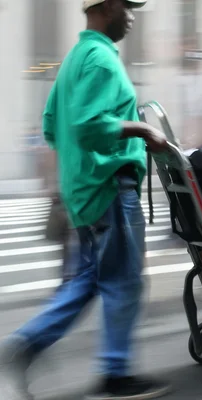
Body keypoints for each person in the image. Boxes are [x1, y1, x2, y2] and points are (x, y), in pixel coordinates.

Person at [0, 0, 172, 399]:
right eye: (127, 7)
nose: (132, 15)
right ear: (107, 7)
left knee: (90, 279)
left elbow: (50, 125)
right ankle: (116, 373)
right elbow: (89, 124)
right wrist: (143, 133)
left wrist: (76, 169)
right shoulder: (100, 60)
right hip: (109, 188)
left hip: (84, 193)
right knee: (124, 283)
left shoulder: (77, 57)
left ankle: (21, 345)